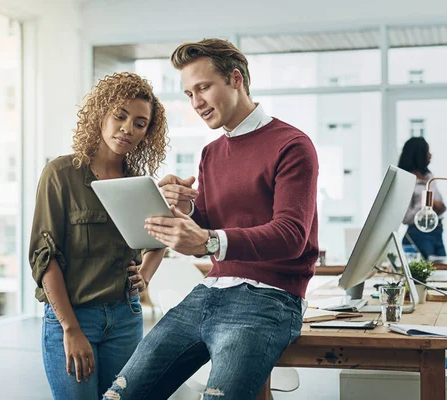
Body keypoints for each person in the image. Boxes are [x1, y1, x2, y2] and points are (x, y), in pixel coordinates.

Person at [103, 39, 319, 400]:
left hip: (270, 299)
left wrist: (208, 241)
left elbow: (291, 234)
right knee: (119, 396)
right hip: (207, 293)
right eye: (189, 93)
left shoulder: (292, 145)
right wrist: (182, 207)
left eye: (203, 88)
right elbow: (207, 225)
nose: (196, 103)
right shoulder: (211, 152)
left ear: (236, 79)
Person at [29, 72, 169, 399]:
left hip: (126, 318)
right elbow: (44, 257)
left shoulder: (138, 184)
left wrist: (144, 276)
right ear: (100, 114)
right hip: (74, 316)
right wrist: (71, 328)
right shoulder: (61, 174)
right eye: (119, 116)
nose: (127, 128)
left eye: (140, 123)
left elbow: (160, 239)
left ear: (147, 132)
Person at [398, 137, 447, 260]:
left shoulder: (429, 177)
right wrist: (425, 206)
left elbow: (439, 203)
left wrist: (439, 206)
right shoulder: (406, 181)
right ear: (418, 154)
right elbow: (404, 217)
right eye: (427, 152)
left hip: (437, 232)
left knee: (442, 271)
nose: (430, 156)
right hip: (418, 234)